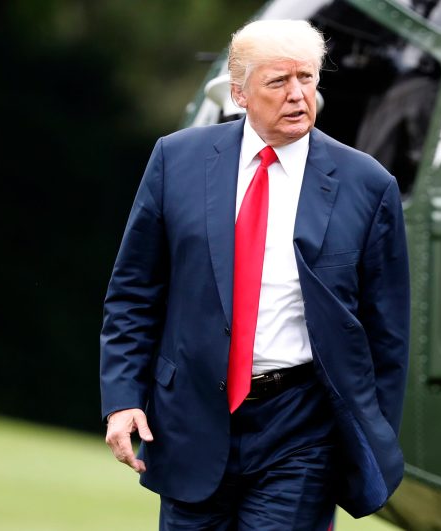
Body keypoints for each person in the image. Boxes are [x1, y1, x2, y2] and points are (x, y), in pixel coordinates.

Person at [100, 19, 410, 531]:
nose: (297, 95)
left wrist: (369, 437)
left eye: (306, 78)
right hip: (191, 417)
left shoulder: (368, 185)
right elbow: (134, 293)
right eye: (278, 81)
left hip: (302, 427)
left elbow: (387, 333)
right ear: (239, 93)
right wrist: (123, 400)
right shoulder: (176, 160)